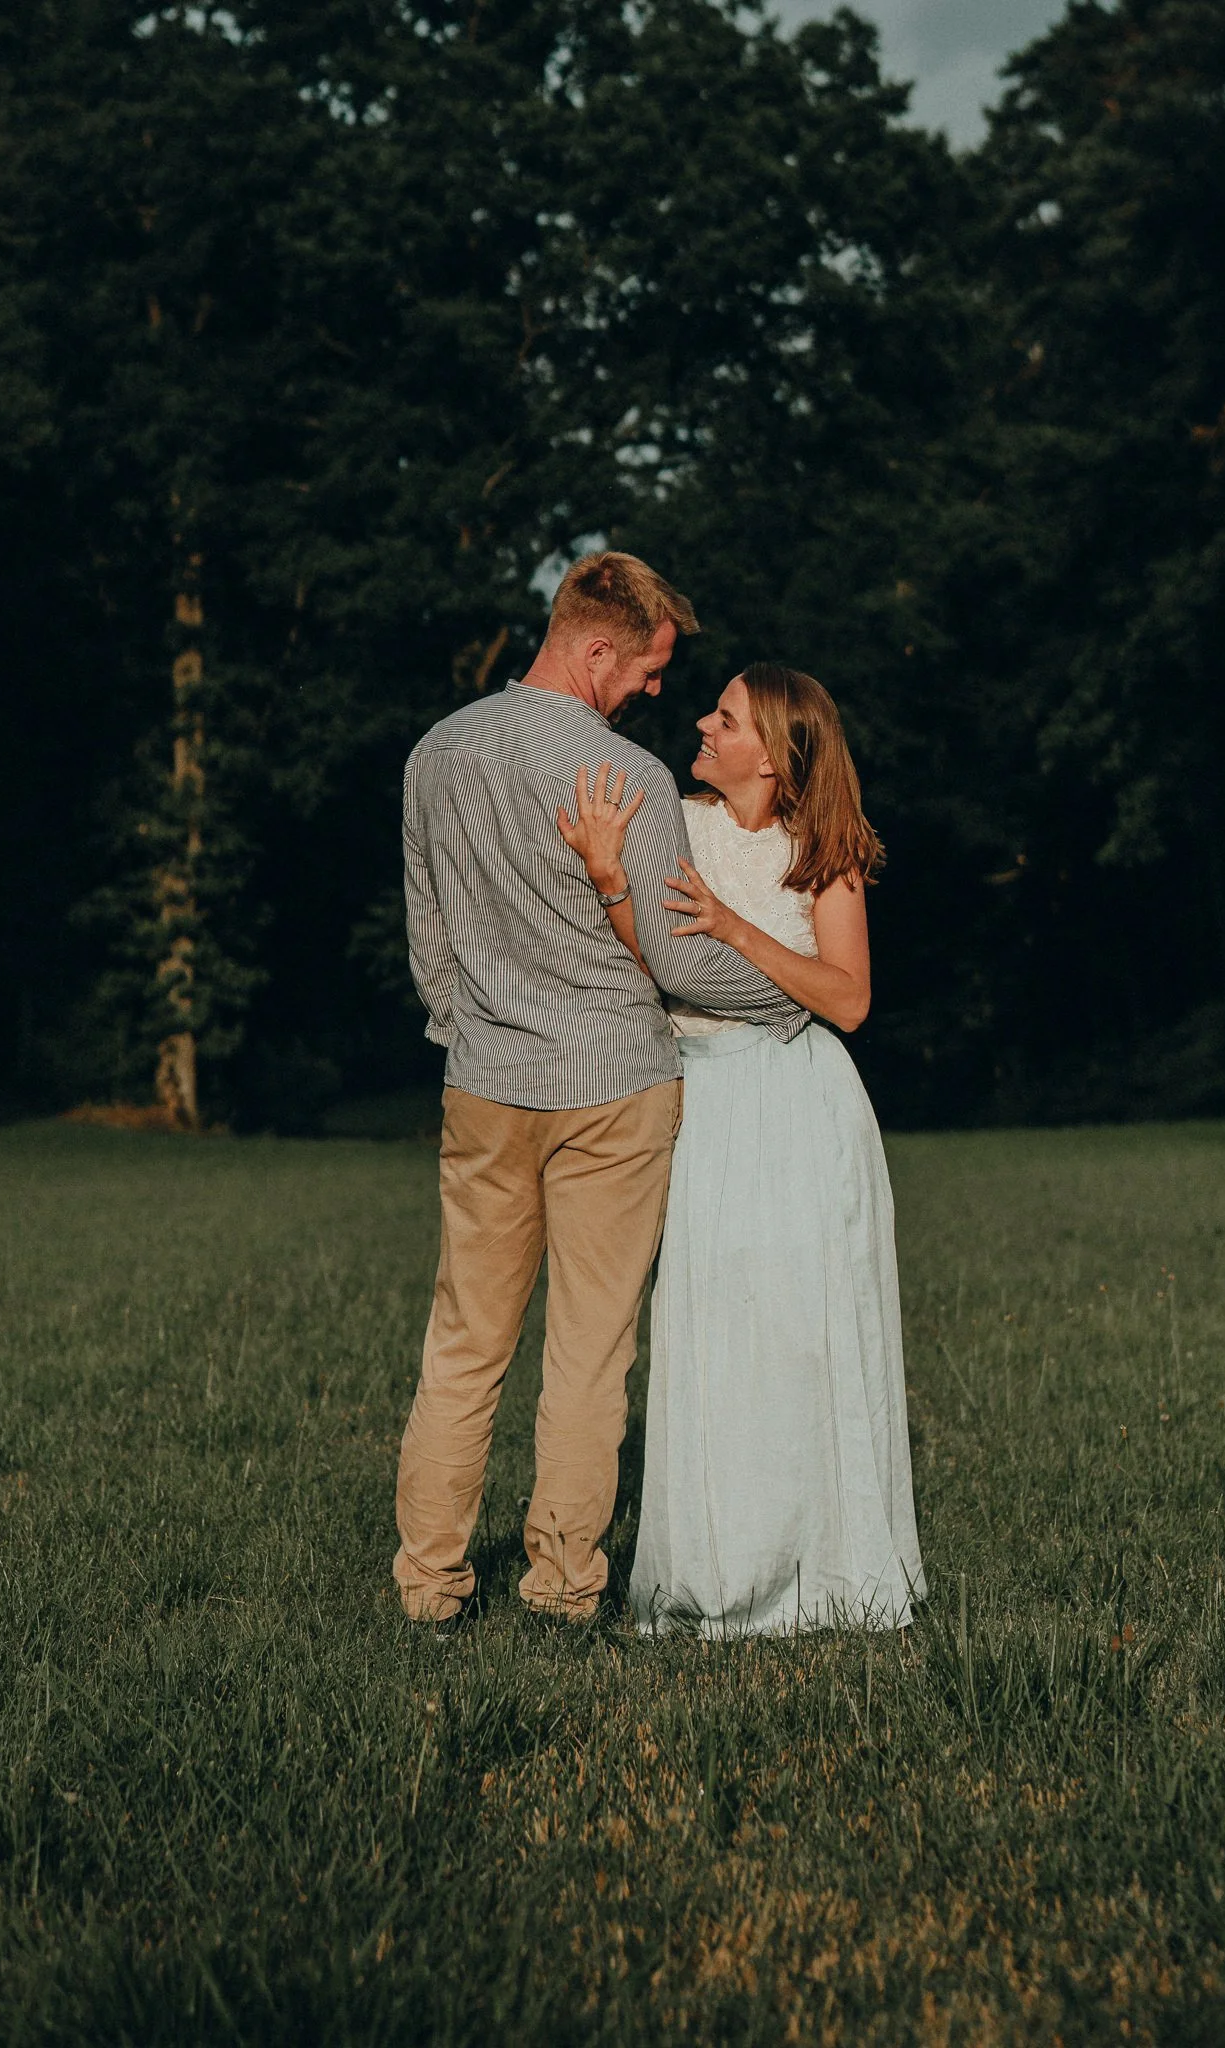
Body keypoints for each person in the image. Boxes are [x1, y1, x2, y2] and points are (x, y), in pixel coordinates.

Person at [395, 555, 807, 1627]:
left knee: (463, 1342)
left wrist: (476, 1035)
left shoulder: (435, 754)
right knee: (588, 1352)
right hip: (615, 1091)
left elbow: (430, 943)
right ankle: (563, 1590)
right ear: (595, 652)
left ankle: (430, 1586)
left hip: (485, 1085)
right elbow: (677, 961)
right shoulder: (626, 777)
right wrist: (785, 994)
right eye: (652, 668)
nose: (657, 691)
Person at [557, 663, 923, 1635]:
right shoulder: (676, 824)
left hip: (799, 1100)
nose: (702, 724)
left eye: (723, 718)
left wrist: (736, 929)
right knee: (713, 1328)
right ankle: (721, 1572)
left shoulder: (825, 852)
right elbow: (655, 969)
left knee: (806, 1330)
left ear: (773, 751)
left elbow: (846, 999)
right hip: (703, 1098)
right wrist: (607, 880)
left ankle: (826, 1572)